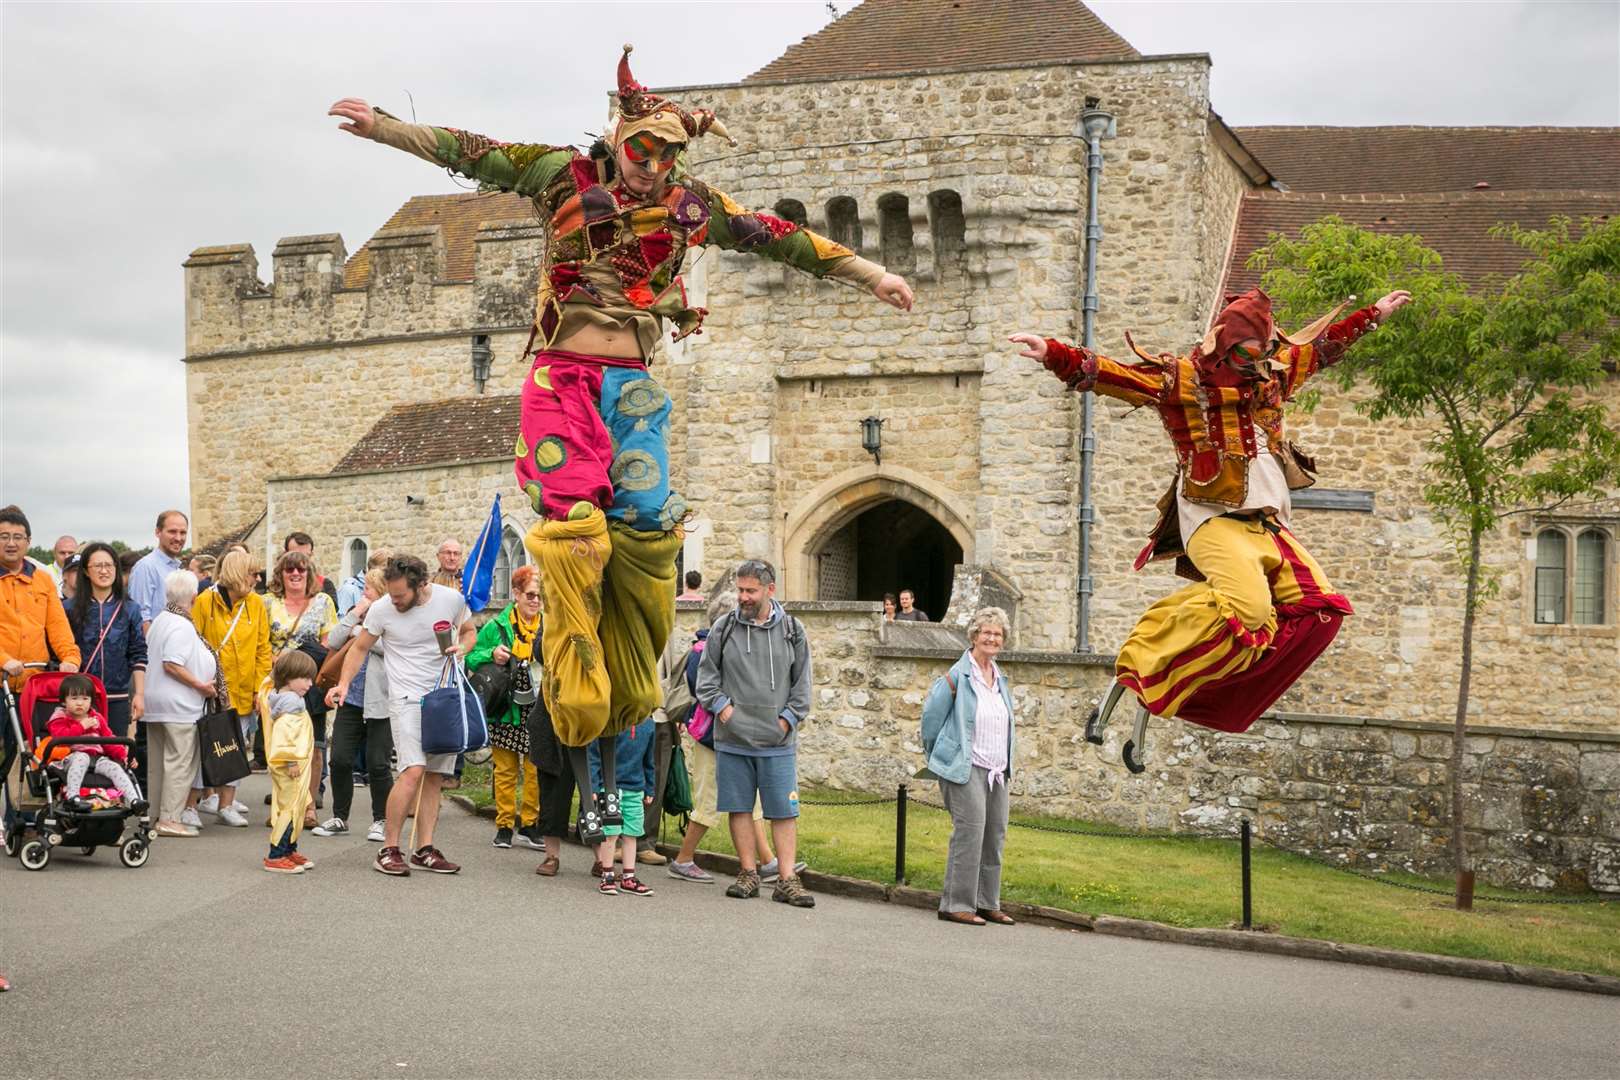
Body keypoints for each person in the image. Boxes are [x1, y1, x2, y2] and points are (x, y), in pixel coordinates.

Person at [329, 44, 913, 852]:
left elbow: (776, 236)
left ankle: (631, 680)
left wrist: (870, 273)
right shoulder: (562, 177)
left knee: (644, 526)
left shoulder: (692, 207)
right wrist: (384, 129)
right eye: (644, 153)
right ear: (618, 137)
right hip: (563, 373)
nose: (654, 169)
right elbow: (473, 152)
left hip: (630, 382)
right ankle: (571, 675)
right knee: (576, 522)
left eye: (670, 157)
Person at [1010, 287, 1412, 758]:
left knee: (1320, 612)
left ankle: (1196, 682)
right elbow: (1115, 375)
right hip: (1214, 521)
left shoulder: (1273, 377)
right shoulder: (1181, 381)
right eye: (1247, 353)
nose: (1257, 364)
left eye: (1263, 354)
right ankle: (1150, 667)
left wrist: (1372, 316)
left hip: (1267, 525)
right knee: (1252, 611)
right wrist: (1055, 354)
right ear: (1224, 344)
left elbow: (1319, 351)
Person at [327, 555, 475, 877]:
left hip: (443, 696)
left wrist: (462, 648)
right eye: (390, 595)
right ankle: (388, 849)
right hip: (405, 698)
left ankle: (424, 849)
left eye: (400, 596)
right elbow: (359, 648)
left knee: (434, 775)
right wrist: (343, 683)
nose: (394, 601)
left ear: (421, 585)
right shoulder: (382, 608)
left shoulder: (450, 600)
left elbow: (469, 631)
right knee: (413, 769)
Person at [695, 559, 815, 908]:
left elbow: (802, 684)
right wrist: (725, 711)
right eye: (740, 590)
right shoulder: (723, 628)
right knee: (740, 807)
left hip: (778, 741)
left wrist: (787, 720)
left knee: (783, 811)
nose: (743, 597)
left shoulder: (793, 630)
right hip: (733, 739)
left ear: (770, 590)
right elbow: (707, 680)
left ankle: (787, 879)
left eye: (751, 591)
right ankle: (747, 873)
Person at [665, 591, 801, 885]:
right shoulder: (704, 650)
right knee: (709, 802)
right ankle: (683, 859)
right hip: (713, 737)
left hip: (737, 737)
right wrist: (730, 711)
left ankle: (766, 862)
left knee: (749, 804)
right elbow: (705, 689)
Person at [921, 607, 1017, 926]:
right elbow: (931, 722)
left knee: (994, 836)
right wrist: (943, 759)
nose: (992, 638)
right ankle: (956, 904)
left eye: (998, 634)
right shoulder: (956, 677)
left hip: (996, 771)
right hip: (966, 768)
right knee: (970, 835)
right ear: (974, 636)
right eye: (986, 632)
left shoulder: (999, 677)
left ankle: (987, 902)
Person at [191, 549, 271, 827]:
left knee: (236, 750)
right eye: (253, 573)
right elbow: (194, 643)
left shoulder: (257, 604)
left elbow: (263, 649)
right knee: (206, 750)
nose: (258, 578)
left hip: (245, 689)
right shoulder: (204, 602)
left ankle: (226, 805)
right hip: (212, 692)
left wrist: (260, 689)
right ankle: (194, 804)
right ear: (238, 574)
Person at [467, 564, 544, 850]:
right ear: (517, 594)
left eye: (539, 596)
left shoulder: (547, 626)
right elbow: (471, 656)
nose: (535, 601)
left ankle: (530, 823)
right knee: (506, 770)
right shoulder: (497, 626)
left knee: (536, 769)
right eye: (531, 595)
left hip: (538, 709)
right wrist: (492, 653)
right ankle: (504, 825)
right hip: (506, 707)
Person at [316, 565, 394, 841]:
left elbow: (390, 648)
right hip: (349, 697)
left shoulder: (392, 617)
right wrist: (355, 615)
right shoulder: (358, 615)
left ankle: (381, 820)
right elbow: (334, 640)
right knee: (339, 759)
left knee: (378, 763)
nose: (363, 593)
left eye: (368, 589)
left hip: (380, 701)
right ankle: (339, 817)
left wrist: (363, 636)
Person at [144, 570, 222, 837]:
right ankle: (169, 819)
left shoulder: (161, 620)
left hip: (157, 703)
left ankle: (155, 814)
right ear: (194, 596)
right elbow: (172, 664)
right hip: (178, 705)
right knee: (179, 762)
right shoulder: (180, 624)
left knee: (158, 763)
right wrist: (201, 685)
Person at [66, 542, 147, 786]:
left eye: (109, 565)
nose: (104, 571)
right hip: (80, 698)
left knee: (114, 755)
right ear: (86, 571)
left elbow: (138, 654)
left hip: (118, 696)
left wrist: (140, 694)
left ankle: (112, 815)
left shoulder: (129, 608)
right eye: (98, 565)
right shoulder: (68, 609)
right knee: (80, 756)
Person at [266, 550, 337, 827]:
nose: (295, 574)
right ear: (280, 575)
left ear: (309, 574)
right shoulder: (268, 603)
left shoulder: (322, 602)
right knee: (282, 747)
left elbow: (329, 645)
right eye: (289, 570)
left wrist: (304, 666)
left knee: (314, 746)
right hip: (280, 684)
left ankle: (309, 806)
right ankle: (284, 806)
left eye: (301, 570)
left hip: (311, 684)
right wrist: (283, 664)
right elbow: (262, 644)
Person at [1, 505, 81, 692]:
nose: (11, 543)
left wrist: (70, 658)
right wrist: (3, 660)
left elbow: (57, 626)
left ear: (28, 541)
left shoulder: (43, 580)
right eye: (4, 537)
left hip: (33, 683)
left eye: (18, 537)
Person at [41, 673, 145, 812]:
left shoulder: (96, 718)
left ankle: (134, 800)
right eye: (74, 698)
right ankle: (73, 797)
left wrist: (124, 756)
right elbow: (59, 737)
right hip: (70, 758)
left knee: (115, 768)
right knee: (81, 757)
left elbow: (109, 740)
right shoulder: (60, 718)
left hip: (96, 758)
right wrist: (81, 726)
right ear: (64, 701)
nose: (80, 703)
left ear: (91, 701)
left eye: (85, 698)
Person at [586, 714, 657, 896]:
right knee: (610, 833)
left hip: (635, 788)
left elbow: (649, 761)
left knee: (631, 834)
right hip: (609, 787)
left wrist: (649, 788)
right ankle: (607, 875)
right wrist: (594, 785)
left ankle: (628, 877)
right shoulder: (609, 721)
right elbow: (594, 754)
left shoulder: (649, 725)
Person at [261, 650, 318, 873]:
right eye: (304, 678)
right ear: (288, 677)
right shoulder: (290, 705)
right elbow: (285, 737)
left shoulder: (288, 701)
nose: (310, 684)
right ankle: (276, 855)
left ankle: (289, 849)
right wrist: (291, 761)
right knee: (289, 808)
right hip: (291, 767)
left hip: (295, 766)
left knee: (296, 807)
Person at [129, 511, 189, 632]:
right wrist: (153, 649)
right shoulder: (146, 567)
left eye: (183, 533)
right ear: (158, 532)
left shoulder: (177, 568)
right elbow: (141, 617)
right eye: (172, 531)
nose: (178, 538)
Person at [284, 532, 339, 602]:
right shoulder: (276, 587)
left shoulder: (325, 585)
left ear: (311, 555)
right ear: (285, 555)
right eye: (295, 555)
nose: (299, 560)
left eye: (305, 556)